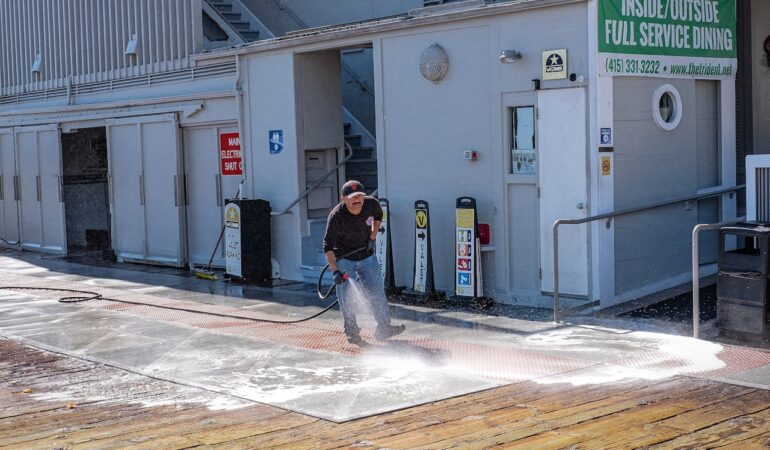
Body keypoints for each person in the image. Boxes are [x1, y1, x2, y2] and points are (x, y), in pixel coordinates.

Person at [323, 180, 405, 346]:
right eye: (352, 197)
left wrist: (373, 237)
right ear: (343, 198)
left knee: (377, 292)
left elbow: (379, 216)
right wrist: (335, 271)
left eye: (360, 196)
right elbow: (327, 246)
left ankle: (383, 328)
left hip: (367, 256)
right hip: (345, 259)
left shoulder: (371, 204)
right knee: (347, 298)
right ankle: (352, 332)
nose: (357, 199)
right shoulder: (336, 216)